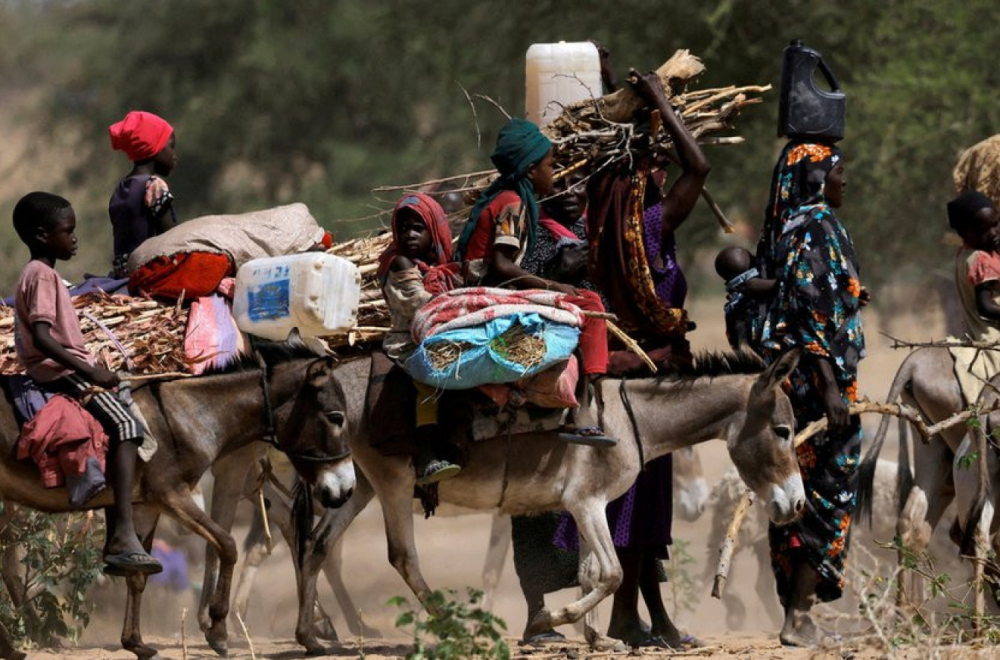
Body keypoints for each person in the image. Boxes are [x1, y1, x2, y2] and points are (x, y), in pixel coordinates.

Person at [12, 192, 161, 575]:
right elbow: (44, 338)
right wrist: (91, 372)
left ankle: (119, 534)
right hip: (60, 373)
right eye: (68, 231)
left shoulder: (39, 274)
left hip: (66, 368)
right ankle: (124, 533)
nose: (74, 238)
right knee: (128, 425)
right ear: (44, 236)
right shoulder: (42, 276)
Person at [752, 141, 865, 647]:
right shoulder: (816, 226)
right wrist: (831, 389)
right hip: (820, 392)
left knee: (795, 497)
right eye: (838, 171)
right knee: (824, 496)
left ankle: (798, 613)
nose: (845, 180)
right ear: (817, 178)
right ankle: (798, 616)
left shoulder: (788, 228)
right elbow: (810, 314)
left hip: (797, 386)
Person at [457, 117, 610, 444]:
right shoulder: (512, 203)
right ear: (530, 170)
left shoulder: (508, 196)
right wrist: (552, 286)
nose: (554, 174)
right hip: (490, 289)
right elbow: (499, 264)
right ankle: (585, 403)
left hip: (492, 285)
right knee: (590, 304)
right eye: (550, 166)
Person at [377, 193, 462, 484]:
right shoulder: (399, 264)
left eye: (418, 228)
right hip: (409, 342)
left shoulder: (438, 265)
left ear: (435, 229)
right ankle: (426, 455)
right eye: (403, 229)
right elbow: (420, 304)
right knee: (429, 384)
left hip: (438, 334)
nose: (409, 235)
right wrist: (461, 299)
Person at [944, 191, 1000, 400]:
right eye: (983, 229)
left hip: (973, 328)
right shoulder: (982, 259)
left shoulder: (965, 254)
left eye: (996, 224)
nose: (993, 233)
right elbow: (985, 306)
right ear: (965, 233)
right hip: (991, 333)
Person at [109, 110, 178, 279]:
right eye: (171, 147)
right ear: (156, 148)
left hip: (122, 274)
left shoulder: (121, 188)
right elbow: (172, 238)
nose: (174, 156)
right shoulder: (153, 185)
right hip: (148, 271)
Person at [714, 246, 776, 350]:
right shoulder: (749, 280)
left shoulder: (733, 289)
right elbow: (755, 285)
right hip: (751, 326)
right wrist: (781, 283)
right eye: (751, 256)